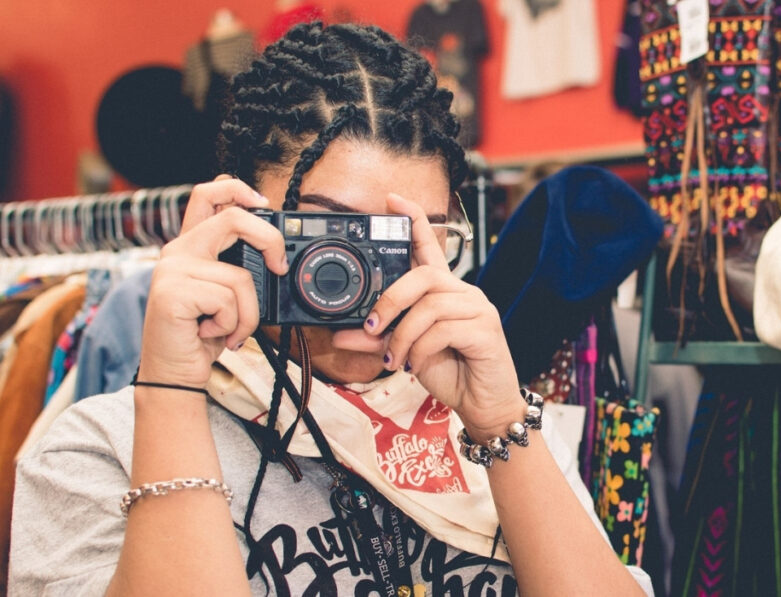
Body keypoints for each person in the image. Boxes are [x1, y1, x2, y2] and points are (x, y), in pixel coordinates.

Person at [10, 22, 653, 596]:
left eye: (401, 244)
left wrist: (502, 426)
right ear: (237, 220)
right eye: (329, 241)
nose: (364, 287)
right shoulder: (99, 452)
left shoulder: (491, 428)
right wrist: (173, 395)